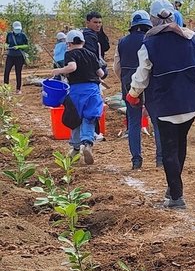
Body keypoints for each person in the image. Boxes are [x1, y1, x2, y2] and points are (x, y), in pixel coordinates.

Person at [126, 0, 195, 208]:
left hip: (164, 104)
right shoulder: (191, 38)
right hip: (190, 104)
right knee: (180, 144)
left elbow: (142, 75)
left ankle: (176, 197)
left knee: (170, 149)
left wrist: (133, 93)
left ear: (152, 19)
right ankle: (173, 187)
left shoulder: (148, 43)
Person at [114, 10, 163, 170]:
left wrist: (125, 80)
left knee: (134, 122)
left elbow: (117, 67)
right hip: (151, 84)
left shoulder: (122, 42)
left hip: (129, 83)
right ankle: (160, 159)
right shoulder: (151, 40)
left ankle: (136, 160)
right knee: (157, 122)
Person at [53, 30, 104, 164]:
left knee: (76, 118)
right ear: (83, 42)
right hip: (93, 90)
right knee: (90, 118)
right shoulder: (91, 54)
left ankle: (75, 147)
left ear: (68, 43)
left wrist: (59, 71)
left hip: (77, 91)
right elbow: (101, 73)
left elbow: (72, 67)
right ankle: (87, 144)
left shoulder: (70, 54)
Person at [5, 21, 28, 94]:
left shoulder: (23, 35)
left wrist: (18, 47)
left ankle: (18, 89)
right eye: (16, 29)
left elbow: (26, 45)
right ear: (13, 28)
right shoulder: (9, 34)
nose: (17, 30)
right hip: (10, 56)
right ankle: (6, 89)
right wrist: (6, 46)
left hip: (19, 56)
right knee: (6, 71)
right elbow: (7, 43)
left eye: (19, 29)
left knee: (18, 72)